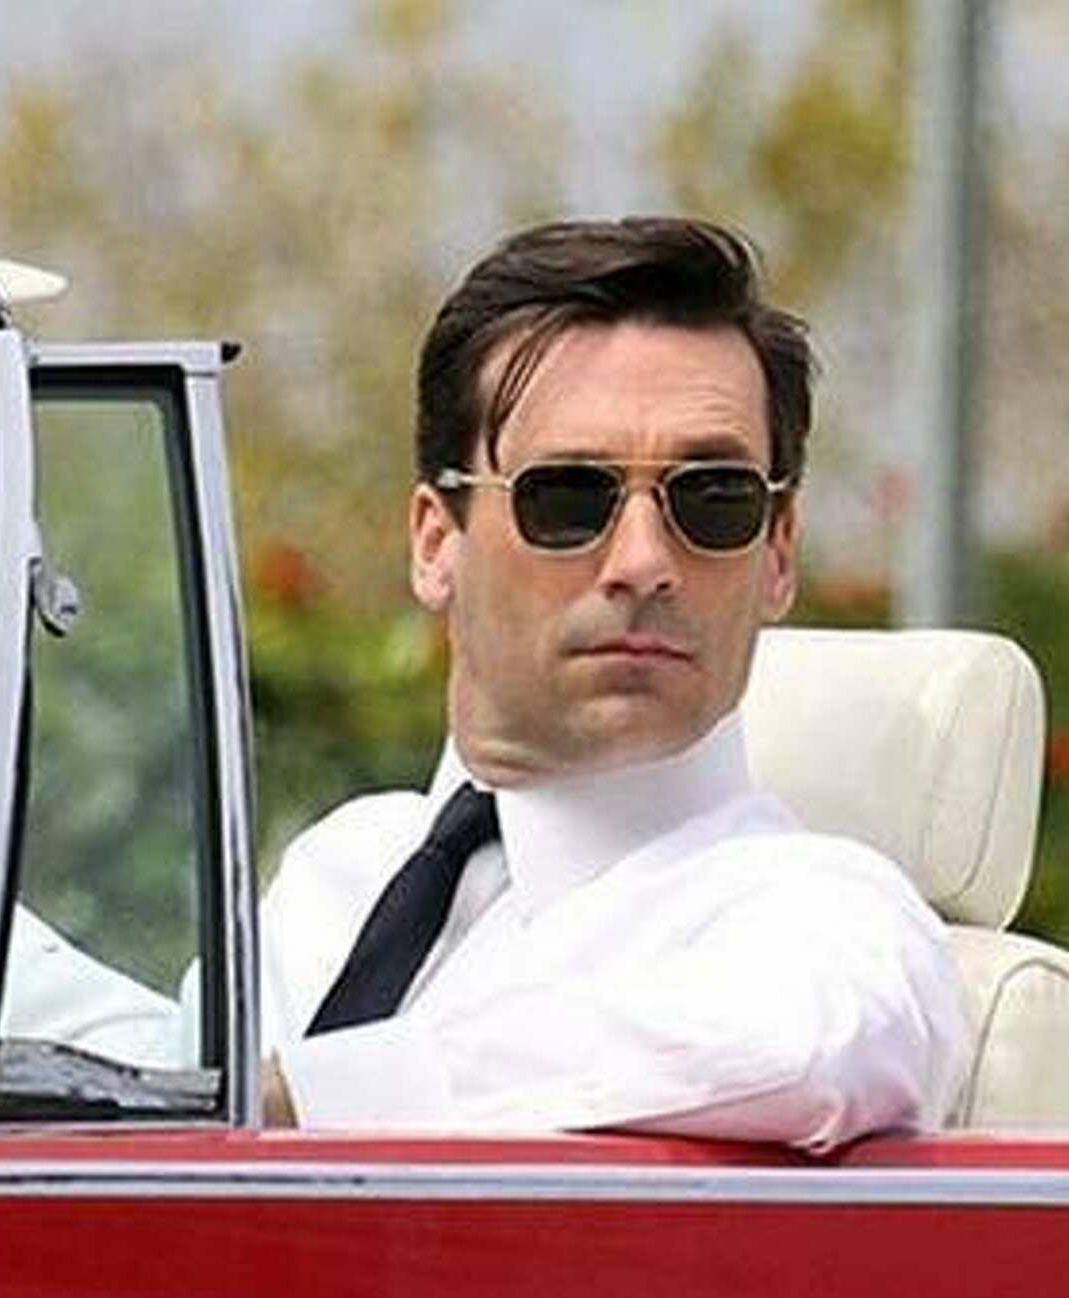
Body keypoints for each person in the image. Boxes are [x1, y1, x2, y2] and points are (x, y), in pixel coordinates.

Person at [256, 216, 966, 1149]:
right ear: (435, 543)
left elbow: (809, 1045)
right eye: (568, 497)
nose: (643, 563)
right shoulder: (332, 876)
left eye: (714, 500)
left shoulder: (825, 923)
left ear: (778, 554)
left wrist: (307, 1098)